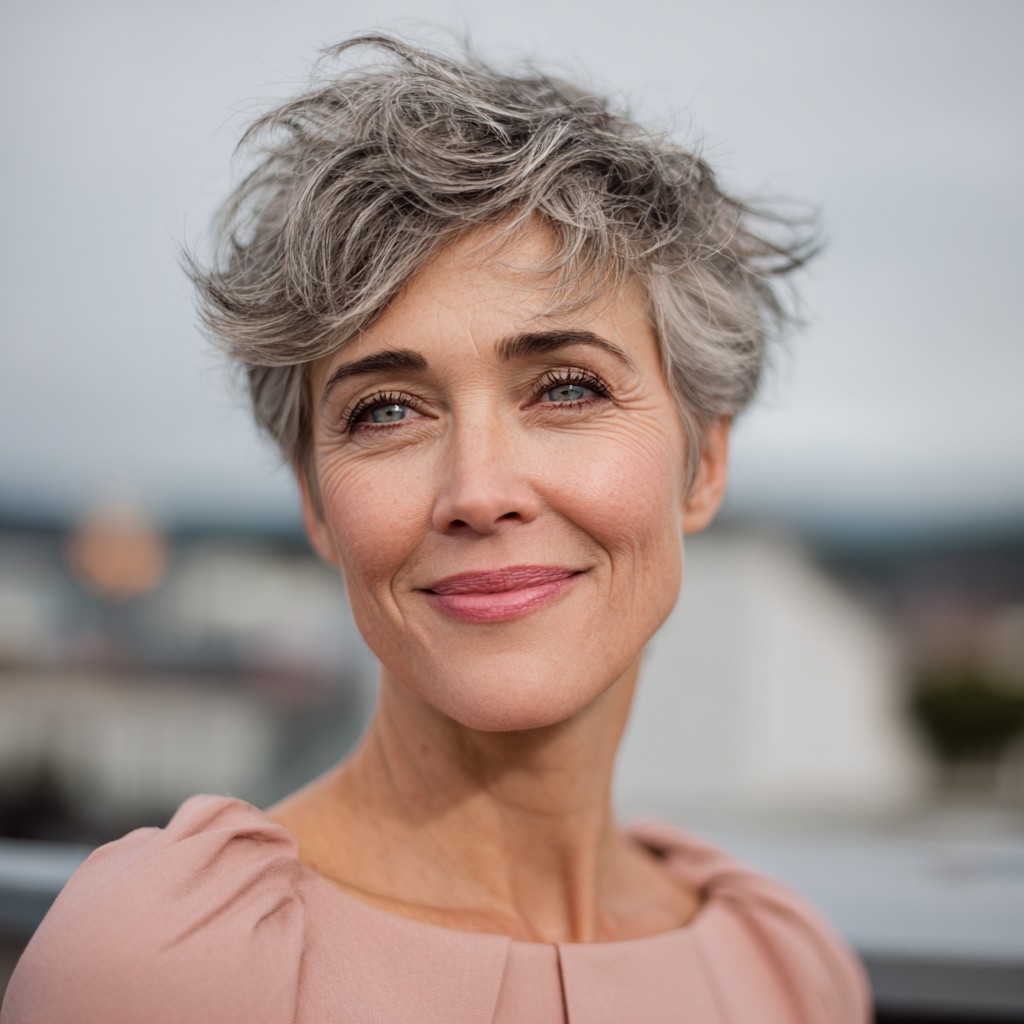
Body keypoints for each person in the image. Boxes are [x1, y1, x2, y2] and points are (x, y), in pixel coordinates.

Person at [1, 34, 871, 1023]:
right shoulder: (164, 968)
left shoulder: (789, 971)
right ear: (316, 502)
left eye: (567, 387)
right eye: (386, 411)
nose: (478, 490)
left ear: (703, 464)